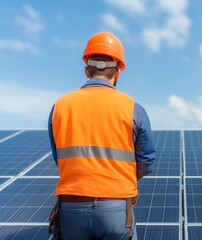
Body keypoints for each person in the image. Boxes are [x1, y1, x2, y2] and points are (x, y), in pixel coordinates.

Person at [48, 31, 155, 240]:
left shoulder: (59, 107)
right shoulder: (133, 109)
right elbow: (147, 161)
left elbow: (58, 157)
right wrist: (122, 176)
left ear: (86, 70)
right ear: (118, 72)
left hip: (71, 209)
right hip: (116, 209)